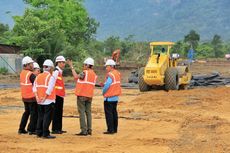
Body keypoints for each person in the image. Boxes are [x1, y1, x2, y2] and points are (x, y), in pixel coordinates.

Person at [67, 57, 97, 136]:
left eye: (84, 65)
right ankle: (89, 130)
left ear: (87, 65)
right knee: (88, 112)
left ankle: (84, 130)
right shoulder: (94, 75)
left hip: (82, 95)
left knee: (82, 113)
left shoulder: (84, 73)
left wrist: (71, 67)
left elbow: (76, 77)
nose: (83, 66)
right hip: (89, 96)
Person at [33, 59, 56, 139]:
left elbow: (34, 88)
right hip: (48, 101)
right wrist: (44, 98)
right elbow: (49, 90)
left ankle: (39, 132)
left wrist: (37, 98)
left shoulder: (38, 76)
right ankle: (45, 133)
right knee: (47, 117)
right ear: (50, 68)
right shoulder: (51, 77)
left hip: (39, 101)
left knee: (40, 116)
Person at [18, 56, 38, 135]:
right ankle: (31, 129)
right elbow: (37, 84)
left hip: (25, 97)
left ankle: (21, 129)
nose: (33, 65)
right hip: (32, 97)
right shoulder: (31, 74)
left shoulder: (22, 73)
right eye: (31, 64)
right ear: (27, 65)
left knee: (26, 112)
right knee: (34, 114)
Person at [102, 59, 121, 134]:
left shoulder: (110, 74)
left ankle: (110, 130)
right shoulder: (117, 73)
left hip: (109, 97)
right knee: (114, 113)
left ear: (111, 66)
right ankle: (115, 129)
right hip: (115, 97)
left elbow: (107, 85)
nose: (106, 68)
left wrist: (103, 92)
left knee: (109, 114)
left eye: (107, 66)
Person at [52, 56, 66, 134]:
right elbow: (52, 82)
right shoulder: (56, 71)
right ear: (58, 63)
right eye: (63, 63)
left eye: (64, 63)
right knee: (56, 112)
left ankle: (59, 128)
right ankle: (55, 129)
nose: (64, 64)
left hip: (60, 95)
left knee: (59, 112)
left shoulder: (59, 71)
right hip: (56, 95)